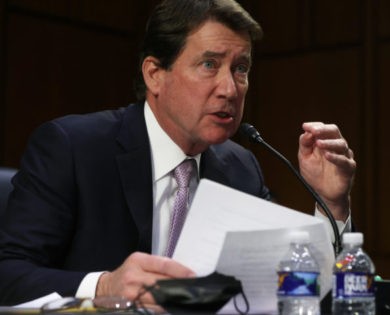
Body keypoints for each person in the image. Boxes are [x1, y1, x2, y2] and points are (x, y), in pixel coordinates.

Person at [0, 0, 356, 310]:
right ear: (155, 74)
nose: (230, 89)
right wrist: (104, 287)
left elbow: (289, 285)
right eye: (209, 65)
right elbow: (8, 272)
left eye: (240, 68)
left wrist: (330, 203)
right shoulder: (73, 148)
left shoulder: (241, 167)